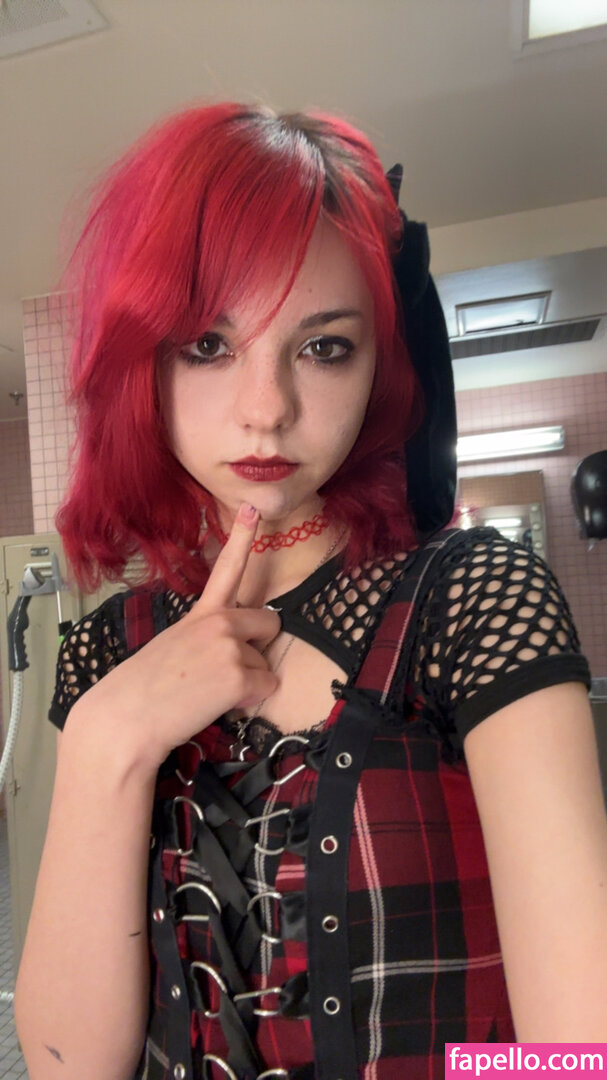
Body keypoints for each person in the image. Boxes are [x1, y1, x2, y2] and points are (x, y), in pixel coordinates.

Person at [14, 103, 607, 1080]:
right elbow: (71, 1064)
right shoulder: (107, 649)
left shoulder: (472, 599)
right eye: (208, 345)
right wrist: (106, 746)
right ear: (143, 364)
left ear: (379, 367)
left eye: (323, 346)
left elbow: (574, 1053)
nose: (267, 408)